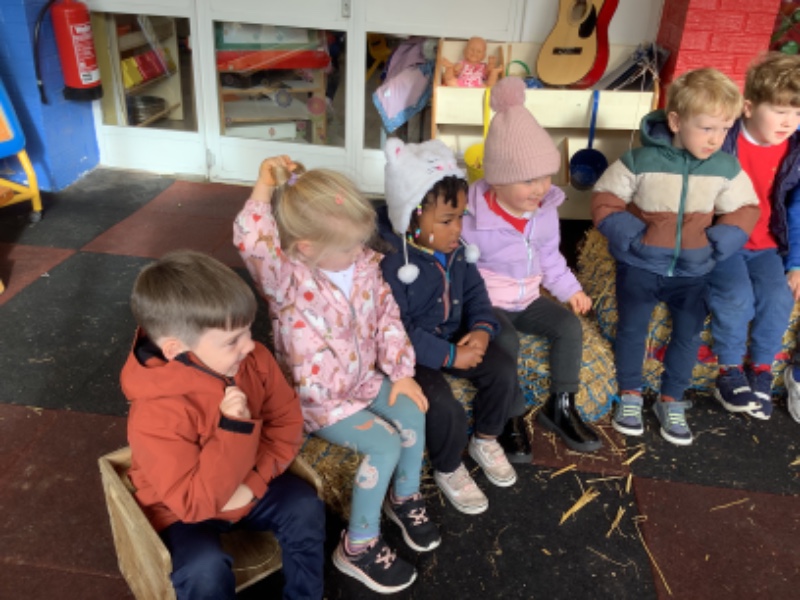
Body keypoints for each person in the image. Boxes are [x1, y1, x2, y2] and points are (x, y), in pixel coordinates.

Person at [234, 156, 437, 595]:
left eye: (360, 243)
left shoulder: (363, 266)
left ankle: (403, 496)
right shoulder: (284, 278)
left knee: (412, 410)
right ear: (306, 247)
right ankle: (358, 545)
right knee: (384, 444)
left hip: (362, 380)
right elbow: (253, 241)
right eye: (347, 247)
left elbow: (387, 317)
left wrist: (401, 372)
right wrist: (263, 185)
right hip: (317, 399)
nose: (358, 252)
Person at [120, 250, 325, 600]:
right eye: (232, 340)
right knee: (203, 569)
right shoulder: (153, 415)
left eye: (247, 330)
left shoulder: (253, 360)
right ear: (175, 349)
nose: (250, 345)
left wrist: (254, 482)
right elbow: (193, 505)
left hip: (250, 483)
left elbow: (286, 421)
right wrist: (234, 430)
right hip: (180, 512)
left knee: (305, 507)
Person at [592, 68, 760, 446]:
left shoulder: (725, 168)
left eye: (725, 129)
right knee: (632, 329)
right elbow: (605, 198)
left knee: (688, 334)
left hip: (693, 271)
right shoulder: (639, 160)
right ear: (675, 121)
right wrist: (633, 238)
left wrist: (718, 242)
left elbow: (746, 207)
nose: (716, 139)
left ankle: (671, 398)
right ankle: (630, 394)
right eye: (707, 128)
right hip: (640, 266)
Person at [377, 138, 525, 517]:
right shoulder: (394, 265)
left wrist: (482, 329)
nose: (457, 228)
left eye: (461, 217)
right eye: (446, 220)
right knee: (442, 406)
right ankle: (448, 466)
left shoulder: (458, 252)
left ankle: (486, 438)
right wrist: (448, 356)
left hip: (456, 336)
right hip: (415, 354)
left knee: (503, 369)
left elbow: (476, 295)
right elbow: (398, 329)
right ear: (411, 218)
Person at [461, 75, 602, 453]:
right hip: (488, 302)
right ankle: (510, 413)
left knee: (568, 327)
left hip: (527, 298)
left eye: (545, 177)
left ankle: (561, 405)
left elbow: (550, 256)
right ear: (497, 180)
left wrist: (570, 290)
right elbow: (459, 267)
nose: (540, 188)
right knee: (504, 339)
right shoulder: (472, 218)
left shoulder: (544, 212)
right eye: (527, 180)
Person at [711, 52, 800, 420]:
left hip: (767, 245)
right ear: (748, 108)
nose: (789, 121)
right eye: (780, 111)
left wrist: (796, 263)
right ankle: (729, 372)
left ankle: (761, 371)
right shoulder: (722, 139)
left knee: (779, 298)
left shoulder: (795, 150)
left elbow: (797, 209)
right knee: (736, 296)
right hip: (725, 241)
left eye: (797, 113)